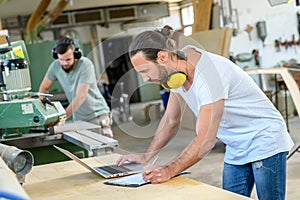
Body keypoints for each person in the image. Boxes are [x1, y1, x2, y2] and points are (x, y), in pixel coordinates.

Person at [116, 26, 294, 200]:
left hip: (264, 138)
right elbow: (171, 119)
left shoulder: (209, 76)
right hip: (236, 144)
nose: (145, 79)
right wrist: (147, 156)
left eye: (145, 71)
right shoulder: (177, 68)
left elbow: (206, 140)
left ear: (162, 57)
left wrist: (168, 170)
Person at [39, 36, 113, 138]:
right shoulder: (55, 66)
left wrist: (61, 118)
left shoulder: (85, 65)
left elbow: (81, 96)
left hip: (97, 115)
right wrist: (44, 112)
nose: (65, 63)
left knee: (104, 150)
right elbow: (43, 89)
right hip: (79, 118)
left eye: (68, 59)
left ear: (75, 55)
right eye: (61, 59)